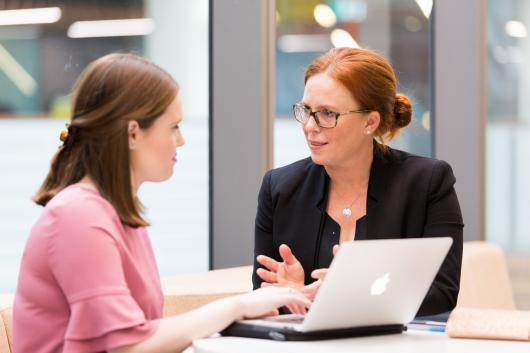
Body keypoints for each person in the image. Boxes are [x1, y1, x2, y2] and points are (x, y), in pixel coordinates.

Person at [13, 53, 310, 353]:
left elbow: (139, 334)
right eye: (173, 127)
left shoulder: (119, 216)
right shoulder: (78, 216)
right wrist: (237, 307)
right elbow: (127, 346)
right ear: (132, 133)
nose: (180, 141)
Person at [253, 47, 464, 316]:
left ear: (370, 122)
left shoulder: (427, 183)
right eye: (306, 110)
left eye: (328, 113)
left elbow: (442, 293)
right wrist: (291, 296)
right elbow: (262, 296)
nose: (309, 126)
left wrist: (351, 294)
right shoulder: (279, 188)